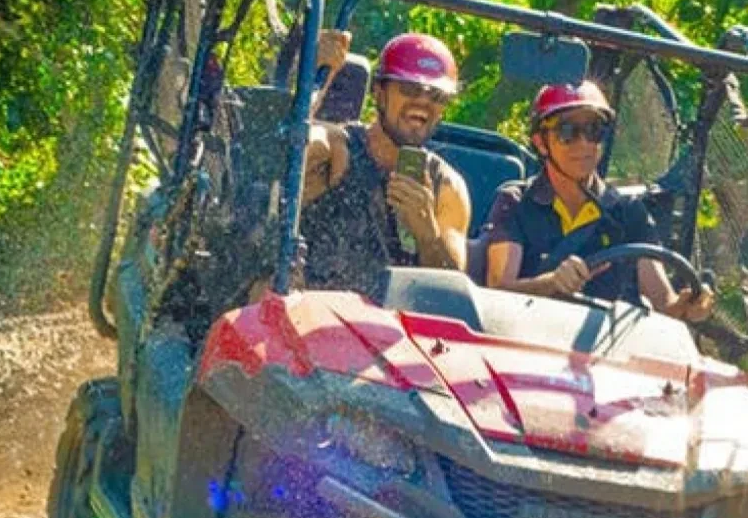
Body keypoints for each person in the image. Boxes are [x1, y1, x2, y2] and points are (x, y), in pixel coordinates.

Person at [483, 81, 715, 321]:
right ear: (541, 142)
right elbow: (497, 291)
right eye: (567, 132)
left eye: (593, 130)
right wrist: (550, 283)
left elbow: (665, 304)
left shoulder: (628, 211)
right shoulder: (515, 202)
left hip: (605, 352)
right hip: (528, 342)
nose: (583, 143)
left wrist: (689, 306)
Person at [296, 30, 473, 296]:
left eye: (436, 96)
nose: (423, 102)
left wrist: (427, 234)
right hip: (311, 321)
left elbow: (450, 295)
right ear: (379, 93)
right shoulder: (336, 150)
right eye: (409, 89)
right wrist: (313, 77)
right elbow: (283, 154)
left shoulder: (447, 187)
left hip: (395, 332)